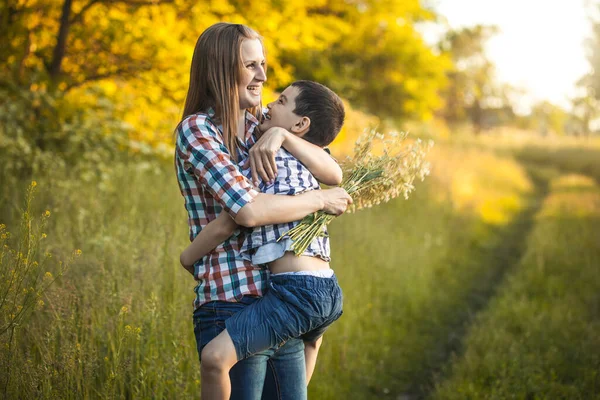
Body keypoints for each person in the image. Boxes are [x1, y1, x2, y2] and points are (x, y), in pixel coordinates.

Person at [174, 23, 352, 400]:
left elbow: (327, 168)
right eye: (251, 65)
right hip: (230, 303)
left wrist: (282, 135)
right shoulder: (198, 130)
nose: (263, 76)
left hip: (276, 298)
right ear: (221, 70)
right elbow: (249, 211)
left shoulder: (262, 124)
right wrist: (320, 200)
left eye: (264, 63)